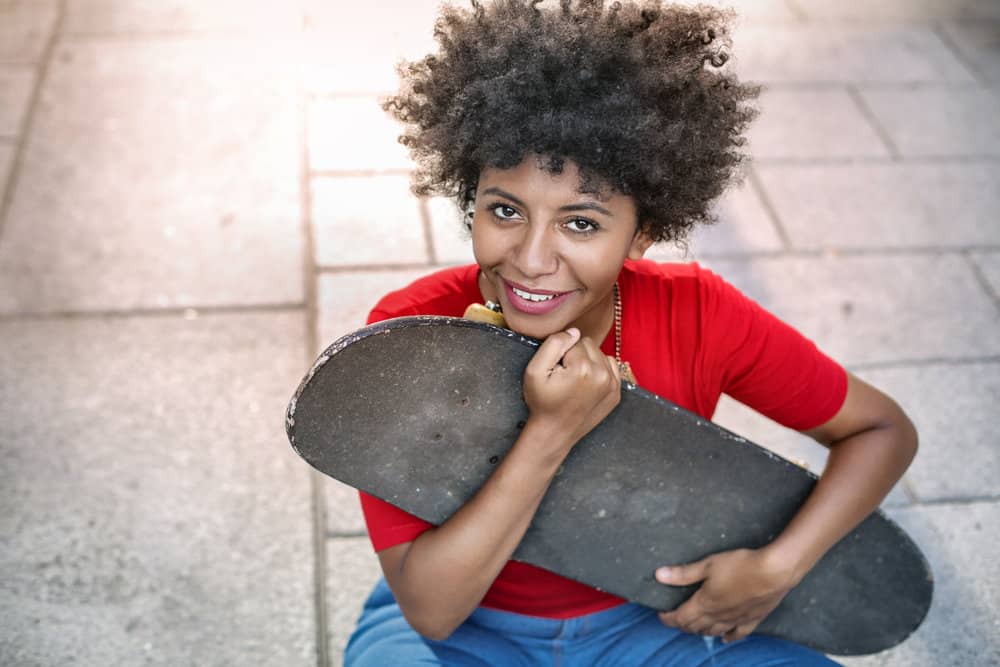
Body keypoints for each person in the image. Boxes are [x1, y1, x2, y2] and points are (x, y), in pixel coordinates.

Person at [344, 1, 918, 665]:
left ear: (643, 234)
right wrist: (552, 431)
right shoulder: (409, 329)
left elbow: (881, 430)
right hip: (470, 631)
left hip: (656, 623)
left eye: (581, 223)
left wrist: (778, 567)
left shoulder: (697, 314)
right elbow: (434, 609)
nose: (531, 258)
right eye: (505, 209)